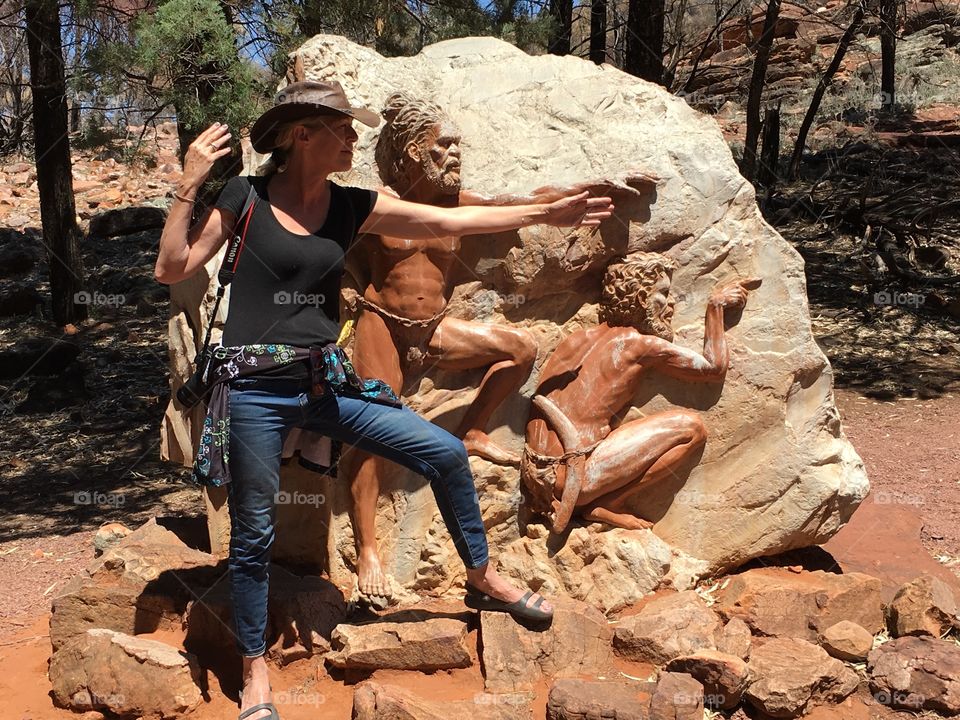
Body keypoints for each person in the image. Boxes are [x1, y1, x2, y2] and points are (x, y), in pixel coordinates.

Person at [155, 80, 615, 720]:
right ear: (302, 135)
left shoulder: (352, 206)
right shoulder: (246, 197)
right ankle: (255, 669)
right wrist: (190, 182)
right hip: (255, 391)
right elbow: (172, 267)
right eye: (343, 128)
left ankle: (481, 576)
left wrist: (543, 214)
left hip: (325, 386)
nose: (354, 138)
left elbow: (449, 219)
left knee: (444, 454)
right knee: (254, 533)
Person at [521, 254, 760, 534]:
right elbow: (713, 367)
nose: (671, 304)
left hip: (536, 476)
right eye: (664, 294)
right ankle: (607, 503)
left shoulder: (576, 339)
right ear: (641, 298)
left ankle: (589, 498)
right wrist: (716, 308)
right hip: (576, 478)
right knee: (692, 429)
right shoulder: (640, 345)